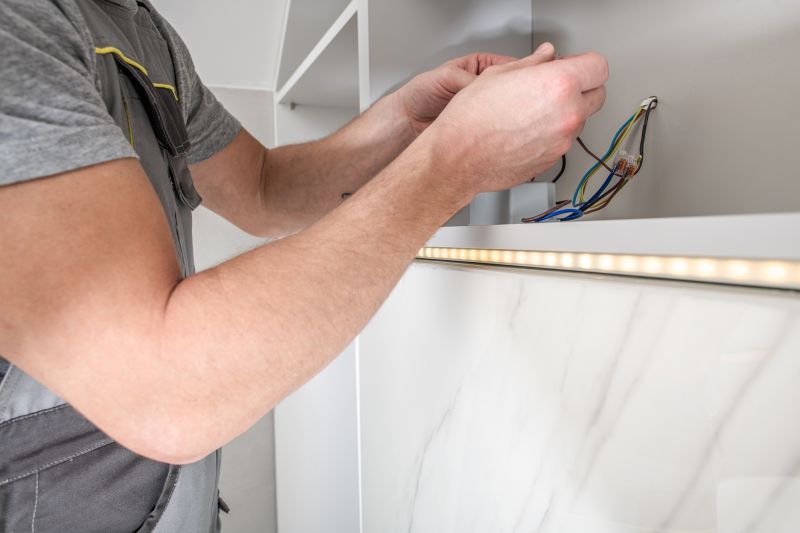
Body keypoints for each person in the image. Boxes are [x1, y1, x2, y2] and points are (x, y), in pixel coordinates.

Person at [0, 0, 608, 530]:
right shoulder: (19, 22)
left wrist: (409, 123)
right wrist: (453, 162)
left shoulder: (140, 29)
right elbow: (163, 390)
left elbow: (264, 189)